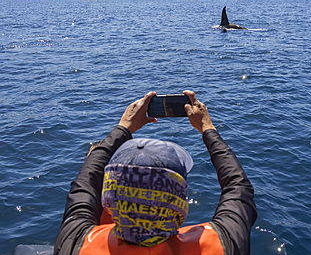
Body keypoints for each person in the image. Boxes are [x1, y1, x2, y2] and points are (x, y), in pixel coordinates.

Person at [54, 90, 257, 255]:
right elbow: (239, 188)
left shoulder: (77, 243)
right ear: (179, 199)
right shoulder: (221, 245)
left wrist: (124, 127)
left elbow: (86, 182)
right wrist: (207, 128)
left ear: (108, 198)